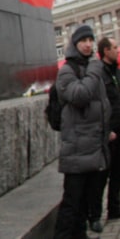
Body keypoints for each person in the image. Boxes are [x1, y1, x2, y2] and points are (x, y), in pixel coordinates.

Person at [54, 25, 111, 239]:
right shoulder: (68, 70)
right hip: (77, 149)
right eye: (83, 40)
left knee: (84, 204)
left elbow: (102, 104)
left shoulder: (89, 67)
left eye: (90, 40)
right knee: (71, 204)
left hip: (95, 147)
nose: (88, 44)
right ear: (74, 44)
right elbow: (80, 96)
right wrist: (95, 71)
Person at [89, 37, 120, 227]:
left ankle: (114, 209)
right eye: (115, 47)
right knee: (101, 176)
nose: (118, 50)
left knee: (117, 173)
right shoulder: (98, 74)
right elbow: (98, 105)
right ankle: (94, 216)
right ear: (105, 51)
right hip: (107, 133)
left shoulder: (116, 71)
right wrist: (106, 130)